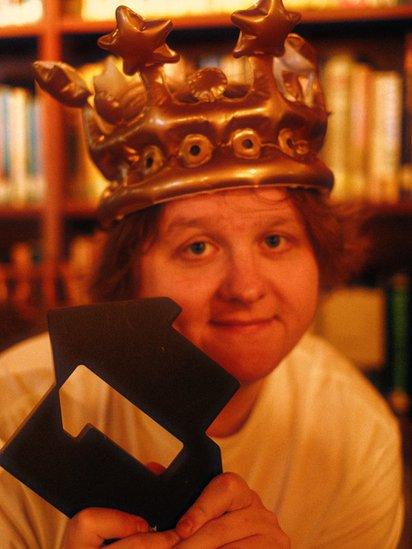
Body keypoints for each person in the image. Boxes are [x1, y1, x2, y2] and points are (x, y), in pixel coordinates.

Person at [0, 1, 404, 547]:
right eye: (197, 247)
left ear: (318, 257)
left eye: (275, 240)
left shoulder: (355, 433)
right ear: (130, 274)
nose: (246, 286)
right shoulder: (11, 413)